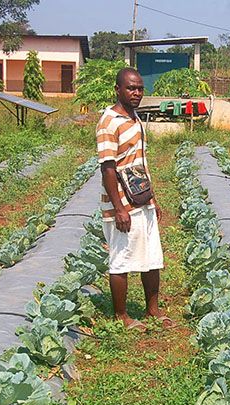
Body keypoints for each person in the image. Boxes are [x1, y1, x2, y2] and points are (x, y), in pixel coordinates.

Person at [95, 67, 173, 331]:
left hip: (142, 199)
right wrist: (119, 209)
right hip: (123, 204)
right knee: (122, 258)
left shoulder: (135, 118)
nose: (137, 92)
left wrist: (152, 198)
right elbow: (108, 168)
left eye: (140, 88)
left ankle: (153, 310)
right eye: (131, 88)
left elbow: (139, 162)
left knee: (152, 256)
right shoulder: (109, 122)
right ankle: (121, 316)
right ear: (118, 89)